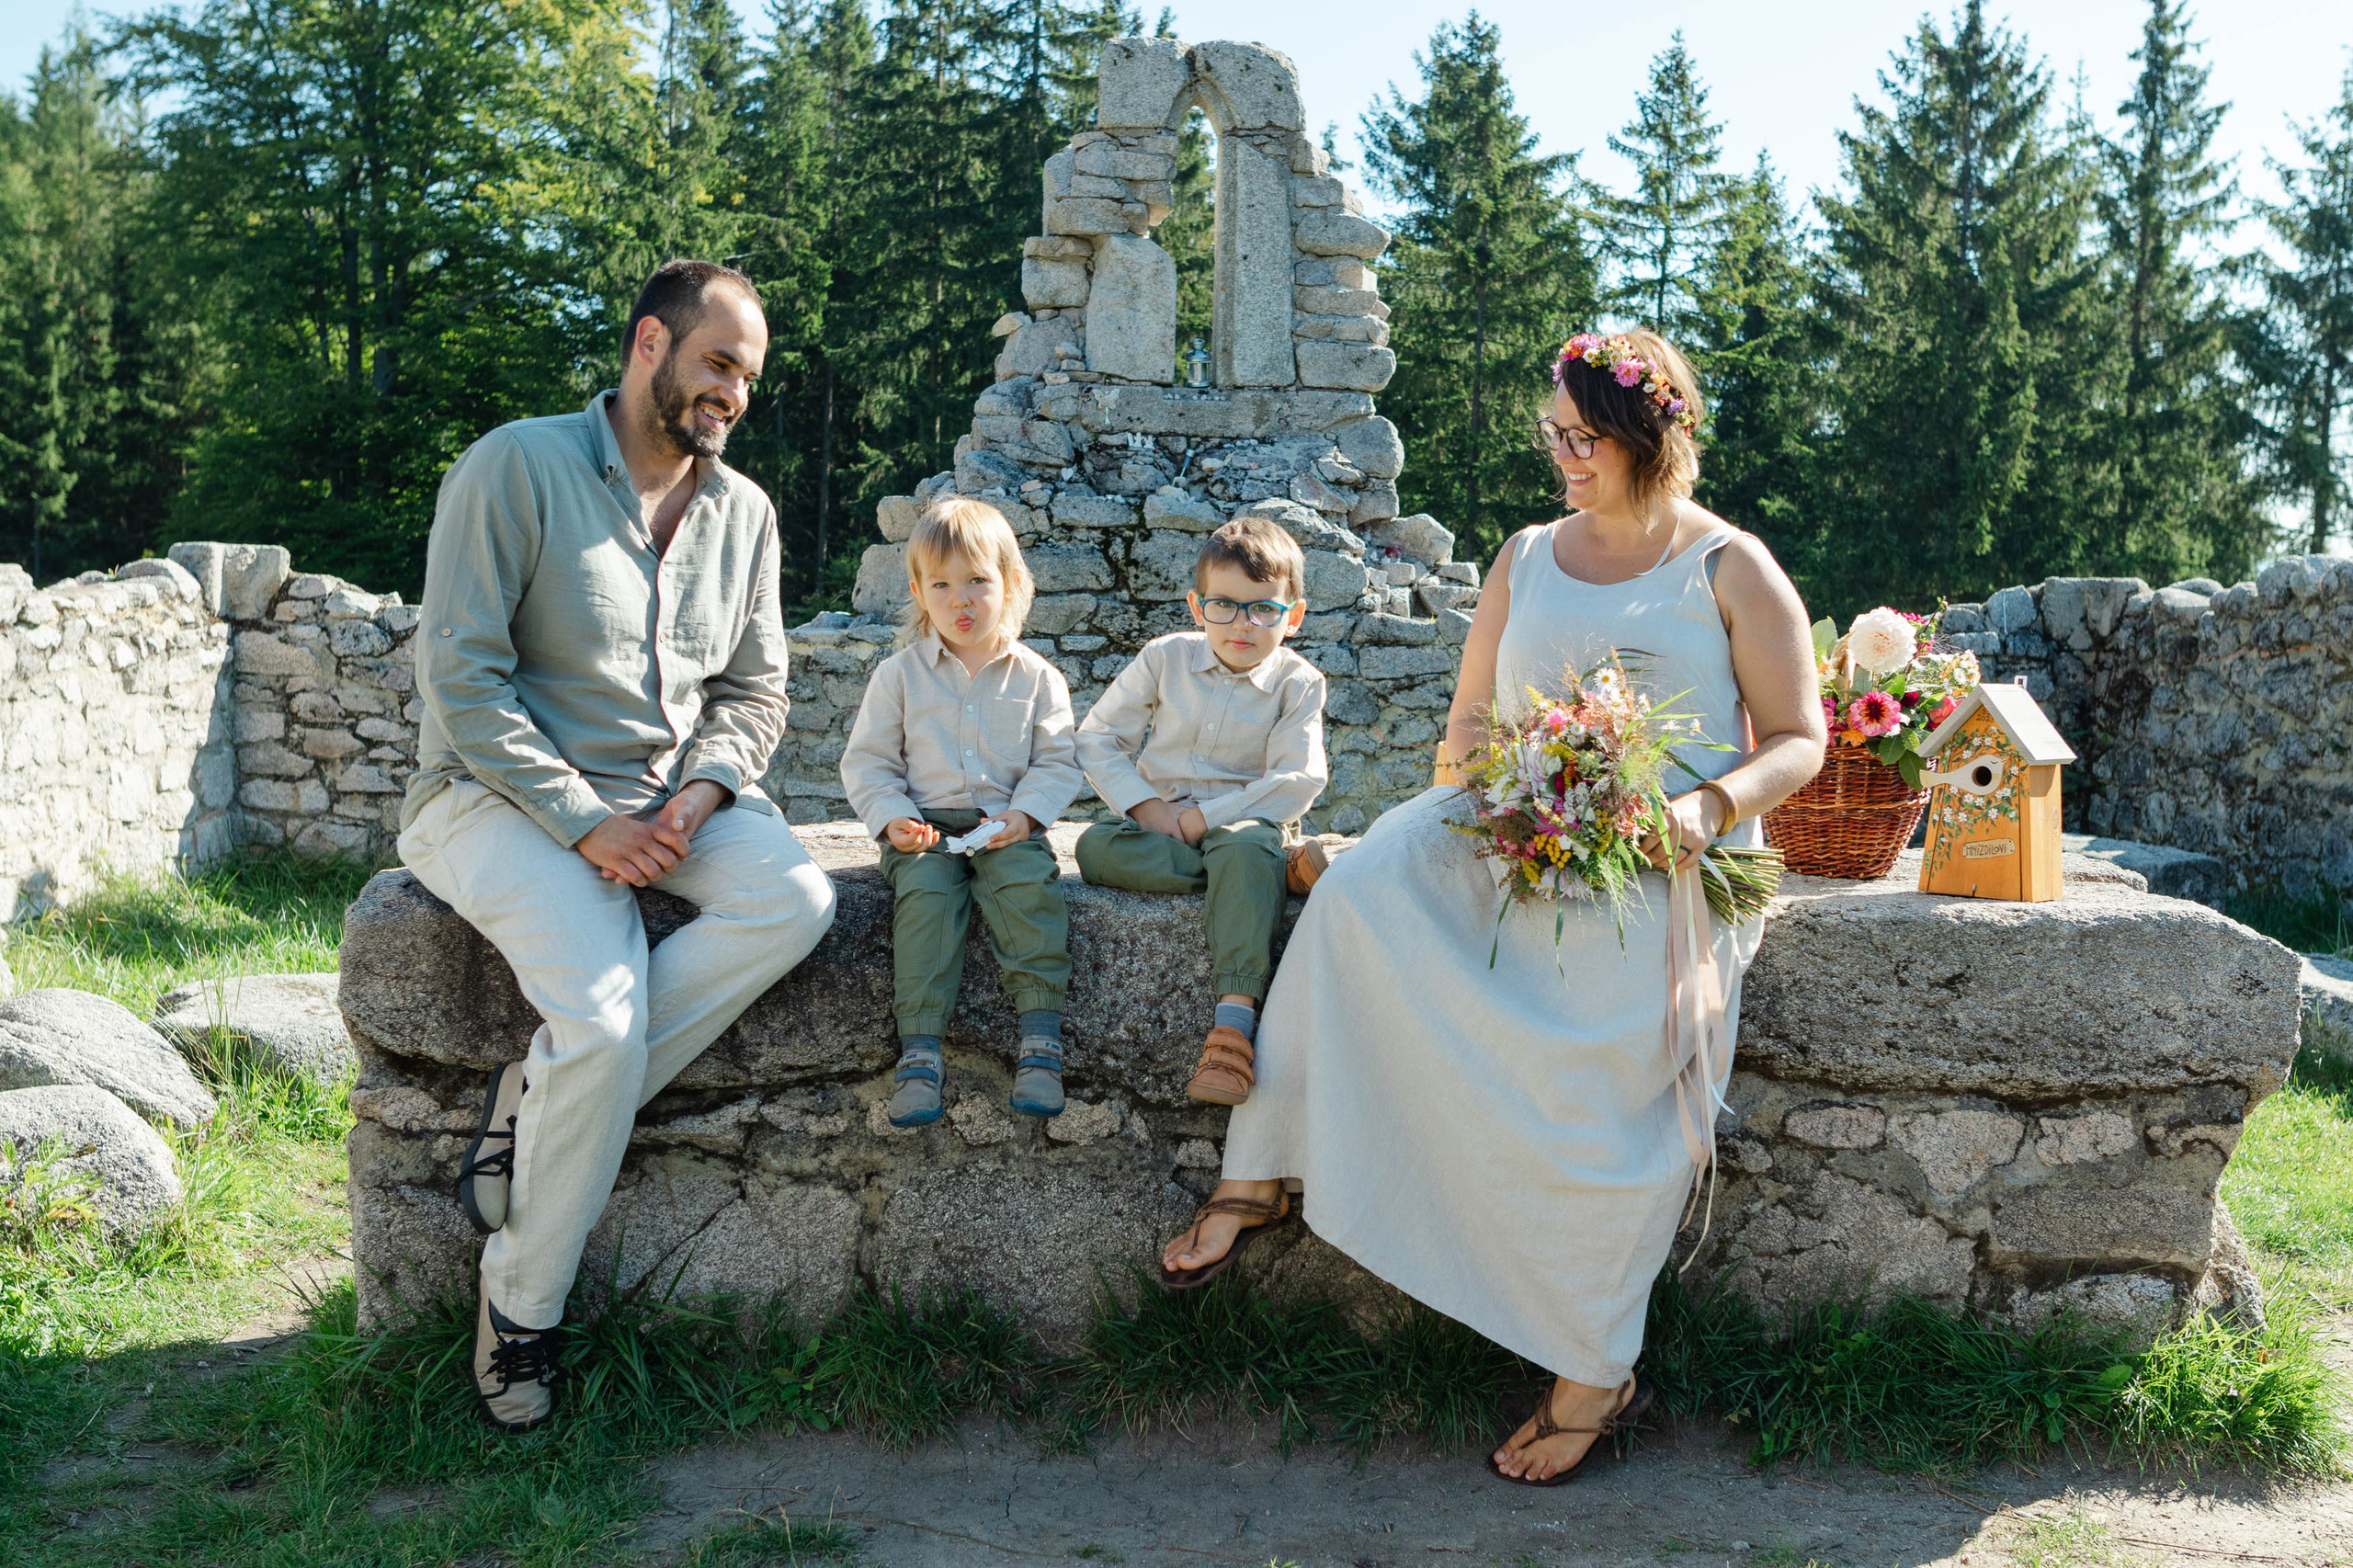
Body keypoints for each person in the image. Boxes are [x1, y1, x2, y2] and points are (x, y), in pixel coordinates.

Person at [1158, 329, 1827, 1485]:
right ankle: (1262, 1166)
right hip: (1517, 818)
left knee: (1604, 1070)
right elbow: (1469, 721)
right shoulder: (1525, 554)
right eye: (1553, 434)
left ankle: (1593, 1368)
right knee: (1356, 894)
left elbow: (1799, 738)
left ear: (1648, 436)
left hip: (1662, 854)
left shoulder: (1730, 566)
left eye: (1584, 437)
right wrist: (1492, 797)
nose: (1562, 455)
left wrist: (1702, 810)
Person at [400, 259, 838, 1435]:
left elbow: (754, 690)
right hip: (492, 796)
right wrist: (584, 820)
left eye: (748, 375)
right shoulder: (515, 464)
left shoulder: (745, 513)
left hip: (666, 799)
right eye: (717, 361)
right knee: (600, 1019)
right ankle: (520, 1306)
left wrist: (699, 795)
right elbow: (462, 677)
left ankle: (538, 1101)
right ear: (650, 342)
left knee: (797, 900)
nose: (733, 391)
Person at [839, 498, 1084, 1128]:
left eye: (977, 580)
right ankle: (920, 1054)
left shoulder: (1038, 678)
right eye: (942, 585)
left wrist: (1025, 817)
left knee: (1028, 889)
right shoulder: (898, 676)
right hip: (924, 827)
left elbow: (1058, 763)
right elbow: (869, 763)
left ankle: (1040, 1042)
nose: (961, 600)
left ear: (1011, 583)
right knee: (925, 897)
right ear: (918, 592)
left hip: (1004, 826)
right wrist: (891, 819)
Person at [1072, 517, 1329, 1104]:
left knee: (1243, 847)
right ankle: (1267, 878)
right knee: (1093, 848)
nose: (1242, 624)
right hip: (1160, 824)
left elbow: (1298, 778)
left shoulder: (1298, 682)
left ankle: (1232, 1031)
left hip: (1245, 821)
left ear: (1293, 616)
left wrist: (1206, 821)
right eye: (1224, 606)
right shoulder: (1164, 659)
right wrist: (1147, 808)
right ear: (1197, 607)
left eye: (1263, 609)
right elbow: (1098, 737)